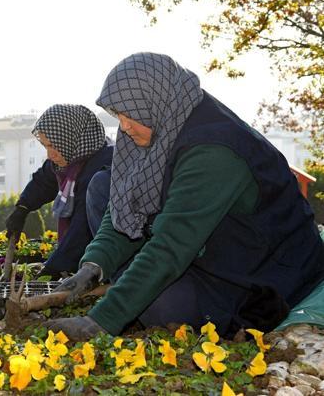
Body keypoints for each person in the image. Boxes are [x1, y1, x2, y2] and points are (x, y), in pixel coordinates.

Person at [45, 52, 324, 340]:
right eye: (118, 115)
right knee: (104, 186)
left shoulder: (214, 150)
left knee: (160, 306)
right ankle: (136, 285)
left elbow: (172, 244)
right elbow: (124, 205)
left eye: (130, 114)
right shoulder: (163, 123)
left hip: (261, 271)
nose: (124, 126)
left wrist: (100, 321)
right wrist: (94, 265)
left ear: (155, 102)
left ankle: (139, 290)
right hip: (210, 244)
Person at [5, 104, 113, 277]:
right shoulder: (70, 157)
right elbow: (43, 181)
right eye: (46, 146)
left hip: (105, 259)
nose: (50, 154)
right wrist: (22, 208)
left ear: (71, 138)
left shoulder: (100, 169)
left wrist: (54, 268)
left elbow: (82, 229)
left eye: (53, 146)